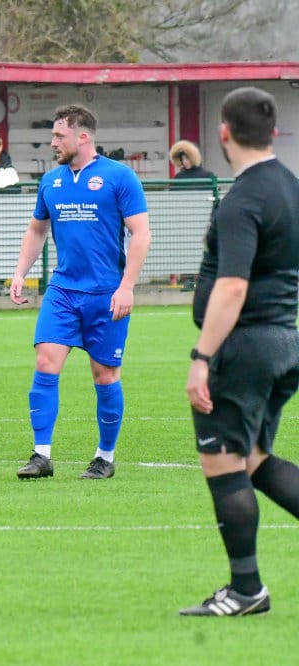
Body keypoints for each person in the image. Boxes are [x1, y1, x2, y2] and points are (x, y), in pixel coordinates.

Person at [180, 87, 299, 617]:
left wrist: (202, 358)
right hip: (283, 340)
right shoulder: (291, 187)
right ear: (272, 132)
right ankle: (246, 589)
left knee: (224, 461)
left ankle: (246, 589)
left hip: (245, 346)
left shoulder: (243, 198)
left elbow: (232, 287)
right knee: (252, 459)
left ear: (223, 132)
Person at [9, 103, 151, 480]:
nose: (53, 142)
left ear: (83, 136)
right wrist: (20, 273)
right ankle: (41, 455)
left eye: (60, 135)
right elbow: (37, 229)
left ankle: (105, 457)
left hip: (106, 293)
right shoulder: (50, 181)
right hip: (63, 290)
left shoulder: (119, 177)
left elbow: (141, 233)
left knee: (104, 375)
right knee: (45, 362)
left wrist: (127, 286)